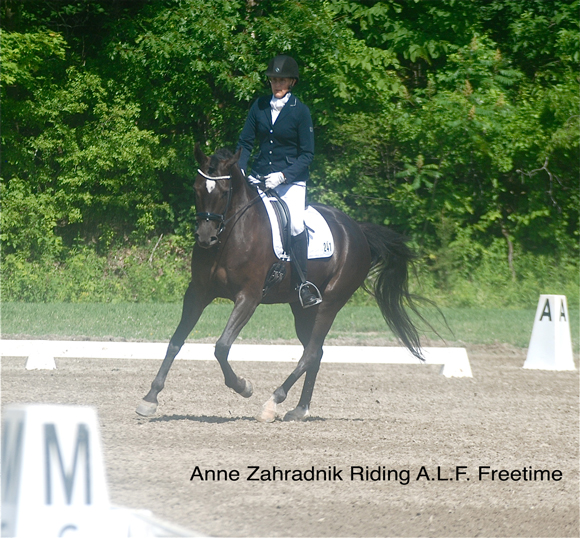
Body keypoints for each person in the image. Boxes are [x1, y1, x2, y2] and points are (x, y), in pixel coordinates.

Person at [237, 54, 321, 308]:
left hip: (290, 182)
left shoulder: (301, 111)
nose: (276, 84)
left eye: (282, 79)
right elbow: (245, 143)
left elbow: (307, 155)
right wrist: (240, 171)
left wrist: (284, 176)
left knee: (295, 225)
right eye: (273, 79)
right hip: (260, 177)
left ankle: (303, 284)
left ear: (292, 82)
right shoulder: (259, 106)